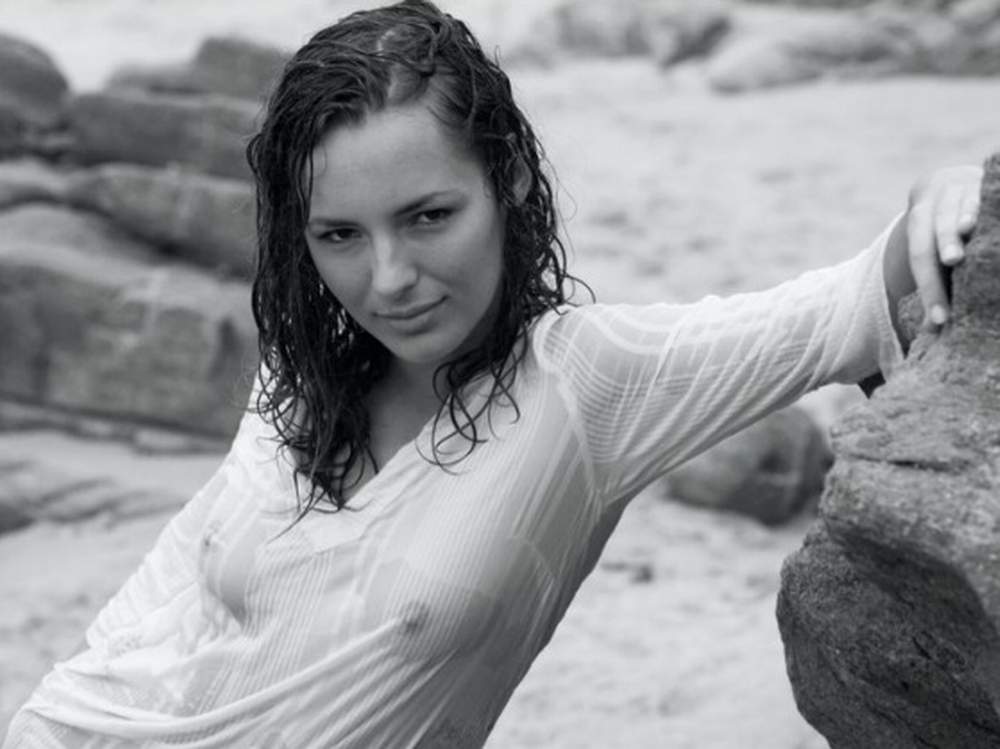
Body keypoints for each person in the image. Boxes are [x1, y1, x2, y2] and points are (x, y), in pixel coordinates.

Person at [3, 1, 985, 747]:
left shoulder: (588, 382)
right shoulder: (296, 379)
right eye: (340, 235)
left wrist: (949, 185)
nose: (389, 278)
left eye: (429, 216)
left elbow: (849, 301)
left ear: (507, 178)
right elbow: (152, 615)